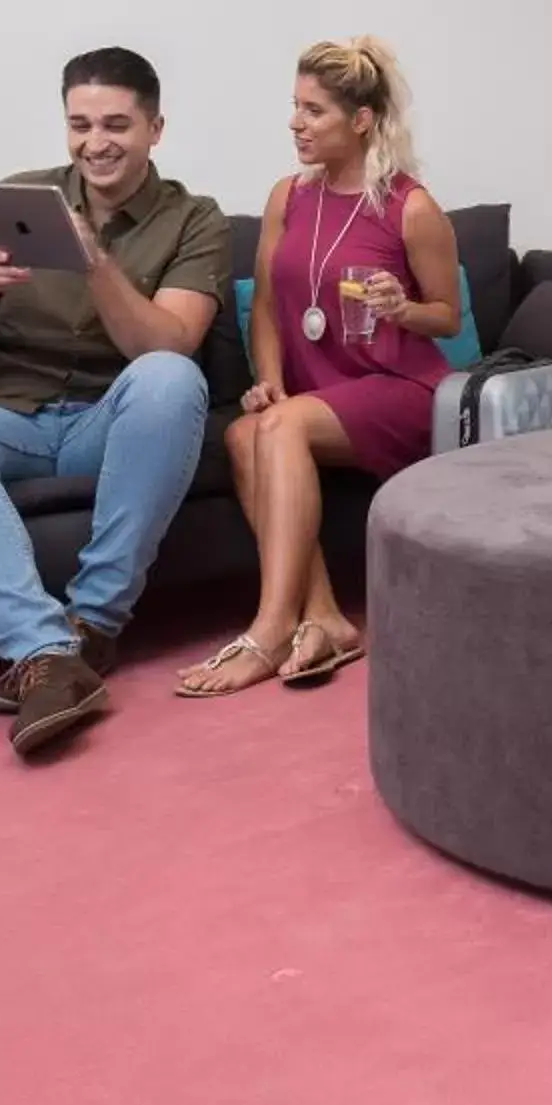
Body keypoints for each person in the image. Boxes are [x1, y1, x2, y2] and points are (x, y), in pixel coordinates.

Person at [0, 48, 225, 759]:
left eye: (116, 124)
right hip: (13, 417)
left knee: (171, 380)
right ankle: (47, 652)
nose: (95, 143)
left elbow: (166, 345)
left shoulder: (194, 219)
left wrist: (92, 261)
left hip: (114, 418)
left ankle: (93, 624)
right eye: (79, 124)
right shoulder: (15, 201)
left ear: (155, 129)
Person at [177, 37, 459, 697]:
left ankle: (270, 630)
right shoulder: (289, 197)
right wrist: (270, 380)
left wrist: (405, 308)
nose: (296, 124)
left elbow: (446, 315)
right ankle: (327, 618)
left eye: (315, 111)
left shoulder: (410, 207)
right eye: (294, 107)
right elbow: (269, 306)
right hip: (316, 395)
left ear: (361, 121)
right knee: (247, 432)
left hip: (401, 389)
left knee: (276, 430)